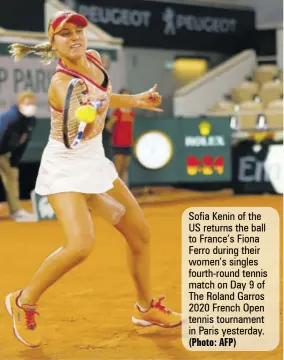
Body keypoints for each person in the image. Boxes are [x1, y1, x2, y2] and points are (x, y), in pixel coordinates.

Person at [6, 11, 182, 348]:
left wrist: (135, 100)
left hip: (94, 163)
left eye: (79, 31)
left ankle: (145, 308)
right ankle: (23, 301)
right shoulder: (61, 84)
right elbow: (76, 133)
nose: (75, 38)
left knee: (140, 234)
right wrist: (83, 120)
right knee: (81, 244)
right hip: (66, 166)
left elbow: (102, 97)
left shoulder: (93, 59)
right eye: (65, 33)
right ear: (54, 42)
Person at [0, 91, 37, 222]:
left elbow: (24, 142)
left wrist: (14, 161)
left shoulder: (31, 121)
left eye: (32, 103)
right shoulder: (10, 117)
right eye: (27, 103)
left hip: (3, 153)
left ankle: (16, 211)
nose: (30, 106)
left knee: (12, 174)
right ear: (19, 104)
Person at [106, 88, 135, 186]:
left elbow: (131, 127)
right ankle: (114, 190)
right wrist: (116, 135)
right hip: (118, 143)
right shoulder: (117, 111)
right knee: (118, 168)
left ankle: (122, 190)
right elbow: (108, 126)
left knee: (125, 167)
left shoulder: (131, 111)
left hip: (128, 142)